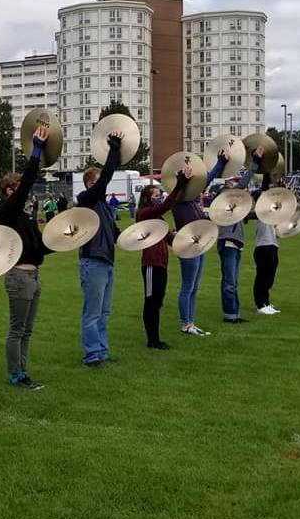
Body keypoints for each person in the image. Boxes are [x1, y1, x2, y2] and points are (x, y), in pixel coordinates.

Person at [0, 128, 52, 389]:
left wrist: (66, 238)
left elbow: (39, 247)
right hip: (19, 277)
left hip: (33, 276)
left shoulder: (26, 218)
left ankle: (23, 371)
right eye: (18, 187)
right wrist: (36, 151)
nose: (24, 191)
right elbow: (28, 181)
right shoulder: (6, 211)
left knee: (27, 330)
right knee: (17, 329)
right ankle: (16, 375)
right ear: (10, 190)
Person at [75, 132, 123, 367]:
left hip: (107, 262)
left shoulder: (104, 206)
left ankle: (101, 352)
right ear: (88, 185)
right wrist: (113, 152)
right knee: (92, 313)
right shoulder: (86, 200)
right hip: (92, 261)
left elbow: (116, 235)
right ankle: (92, 355)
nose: (99, 185)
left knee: (104, 313)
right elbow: (104, 179)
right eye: (94, 182)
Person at [171, 151, 229, 336]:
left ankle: (190, 322)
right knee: (188, 286)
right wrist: (183, 179)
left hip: (199, 243)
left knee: (194, 286)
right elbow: (190, 186)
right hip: (188, 244)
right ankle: (185, 323)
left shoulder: (193, 197)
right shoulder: (179, 197)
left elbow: (207, 179)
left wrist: (220, 162)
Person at [135, 168, 191, 349]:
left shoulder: (158, 218)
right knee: (151, 300)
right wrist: (179, 185)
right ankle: (152, 339)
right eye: (156, 195)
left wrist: (190, 238)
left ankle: (155, 338)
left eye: (160, 194)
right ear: (146, 197)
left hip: (162, 264)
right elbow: (165, 205)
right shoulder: (145, 213)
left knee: (158, 300)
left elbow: (170, 239)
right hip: (151, 264)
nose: (158, 197)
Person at [215, 148, 263, 324]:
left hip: (235, 242)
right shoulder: (223, 196)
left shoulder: (233, 204)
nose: (235, 185)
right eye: (231, 182)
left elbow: (247, 214)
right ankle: (231, 315)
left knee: (232, 280)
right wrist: (255, 162)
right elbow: (243, 184)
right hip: (228, 242)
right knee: (229, 281)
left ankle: (232, 313)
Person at [252, 171, 282, 316]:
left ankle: (266, 302)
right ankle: (260, 304)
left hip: (272, 246)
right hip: (263, 247)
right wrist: (267, 174)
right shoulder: (261, 212)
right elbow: (265, 193)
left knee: (270, 275)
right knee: (263, 276)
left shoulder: (271, 215)